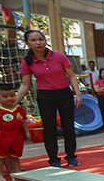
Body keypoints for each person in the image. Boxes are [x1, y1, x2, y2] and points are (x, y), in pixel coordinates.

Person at [16, 30, 82, 167]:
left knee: (68, 126)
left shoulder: (59, 57)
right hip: (45, 96)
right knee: (49, 128)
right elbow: (25, 84)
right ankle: (53, 159)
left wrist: (78, 94)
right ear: (27, 43)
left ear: (45, 41)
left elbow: (71, 76)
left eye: (40, 39)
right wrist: (14, 102)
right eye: (33, 40)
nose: (38, 42)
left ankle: (71, 156)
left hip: (64, 94)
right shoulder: (27, 62)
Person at [0, 84, 30, 181]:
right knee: (0, 157)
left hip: (16, 135)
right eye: (5, 97)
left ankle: (17, 171)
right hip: (2, 136)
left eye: (12, 95)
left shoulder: (19, 109)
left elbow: (23, 121)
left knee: (15, 155)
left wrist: (27, 132)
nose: (9, 99)